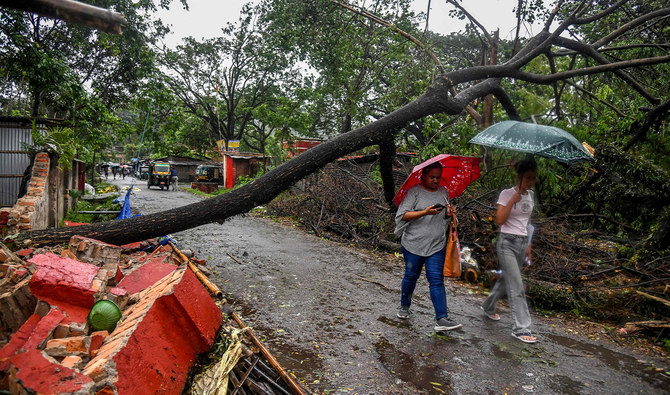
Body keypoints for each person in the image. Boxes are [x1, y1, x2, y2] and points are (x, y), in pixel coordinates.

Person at [394, 161, 462, 332]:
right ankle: (404, 306)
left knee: (436, 280)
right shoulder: (414, 192)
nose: (435, 180)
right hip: (413, 243)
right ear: (423, 175)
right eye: (432, 177)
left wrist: (448, 214)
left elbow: (444, 219)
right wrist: (425, 212)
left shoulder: (443, 192)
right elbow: (403, 215)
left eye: (438, 177)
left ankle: (442, 318)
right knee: (411, 276)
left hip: (436, 245)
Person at [481, 159, 538, 344]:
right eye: (528, 178)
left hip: (521, 243)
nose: (531, 182)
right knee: (517, 285)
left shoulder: (531, 195)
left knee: (507, 280)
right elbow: (499, 220)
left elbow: (526, 222)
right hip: (507, 243)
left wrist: (528, 244)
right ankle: (521, 328)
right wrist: (513, 199)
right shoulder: (506, 194)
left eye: (533, 178)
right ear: (519, 177)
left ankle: (488, 305)